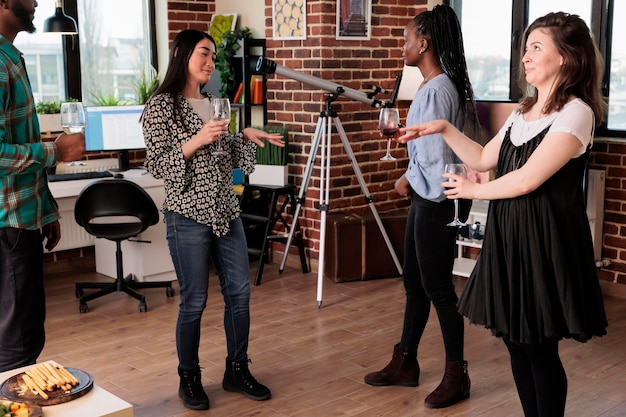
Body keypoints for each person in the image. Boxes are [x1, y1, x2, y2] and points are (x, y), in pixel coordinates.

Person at [398, 12, 608, 417]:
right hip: (508, 239)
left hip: (545, 243)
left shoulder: (577, 113)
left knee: (538, 346)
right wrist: (443, 127)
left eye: (536, 47)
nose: (525, 56)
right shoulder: (521, 112)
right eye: (525, 47)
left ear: (564, 57)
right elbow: (480, 155)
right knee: (515, 339)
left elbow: (527, 180)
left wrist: (474, 189)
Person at [141, 29, 284, 411]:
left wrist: (245, 138)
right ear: (181, 54)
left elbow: (224, 160)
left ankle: (236, 369)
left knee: (240, 294)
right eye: (204, 53)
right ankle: (189, 376)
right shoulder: (160, 106)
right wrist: (197, 140)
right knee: (194, 301)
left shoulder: (216, 103)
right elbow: (156, 164)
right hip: (186, 215)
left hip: (225, 211)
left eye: (213, 56)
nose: (210, 62)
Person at [363, 5, 478, 409]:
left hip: (433, 202)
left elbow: (432, 157)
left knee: (439, 290)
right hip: (429, 199)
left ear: (424, 43)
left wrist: (404, 180)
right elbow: (434, 150)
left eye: (407, 39)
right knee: (415, 283)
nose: (403, 47)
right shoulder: (444, 85)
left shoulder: (433, 90)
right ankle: (405, 362)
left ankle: (456, 374)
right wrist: (409, 175)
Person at [0, 0, 85, 372]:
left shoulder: (10, 57)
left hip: (22, 220)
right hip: (9, 226)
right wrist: (55, 151)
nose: (35, 2)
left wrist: (46, 212)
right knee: (18, 342)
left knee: (22, 334)